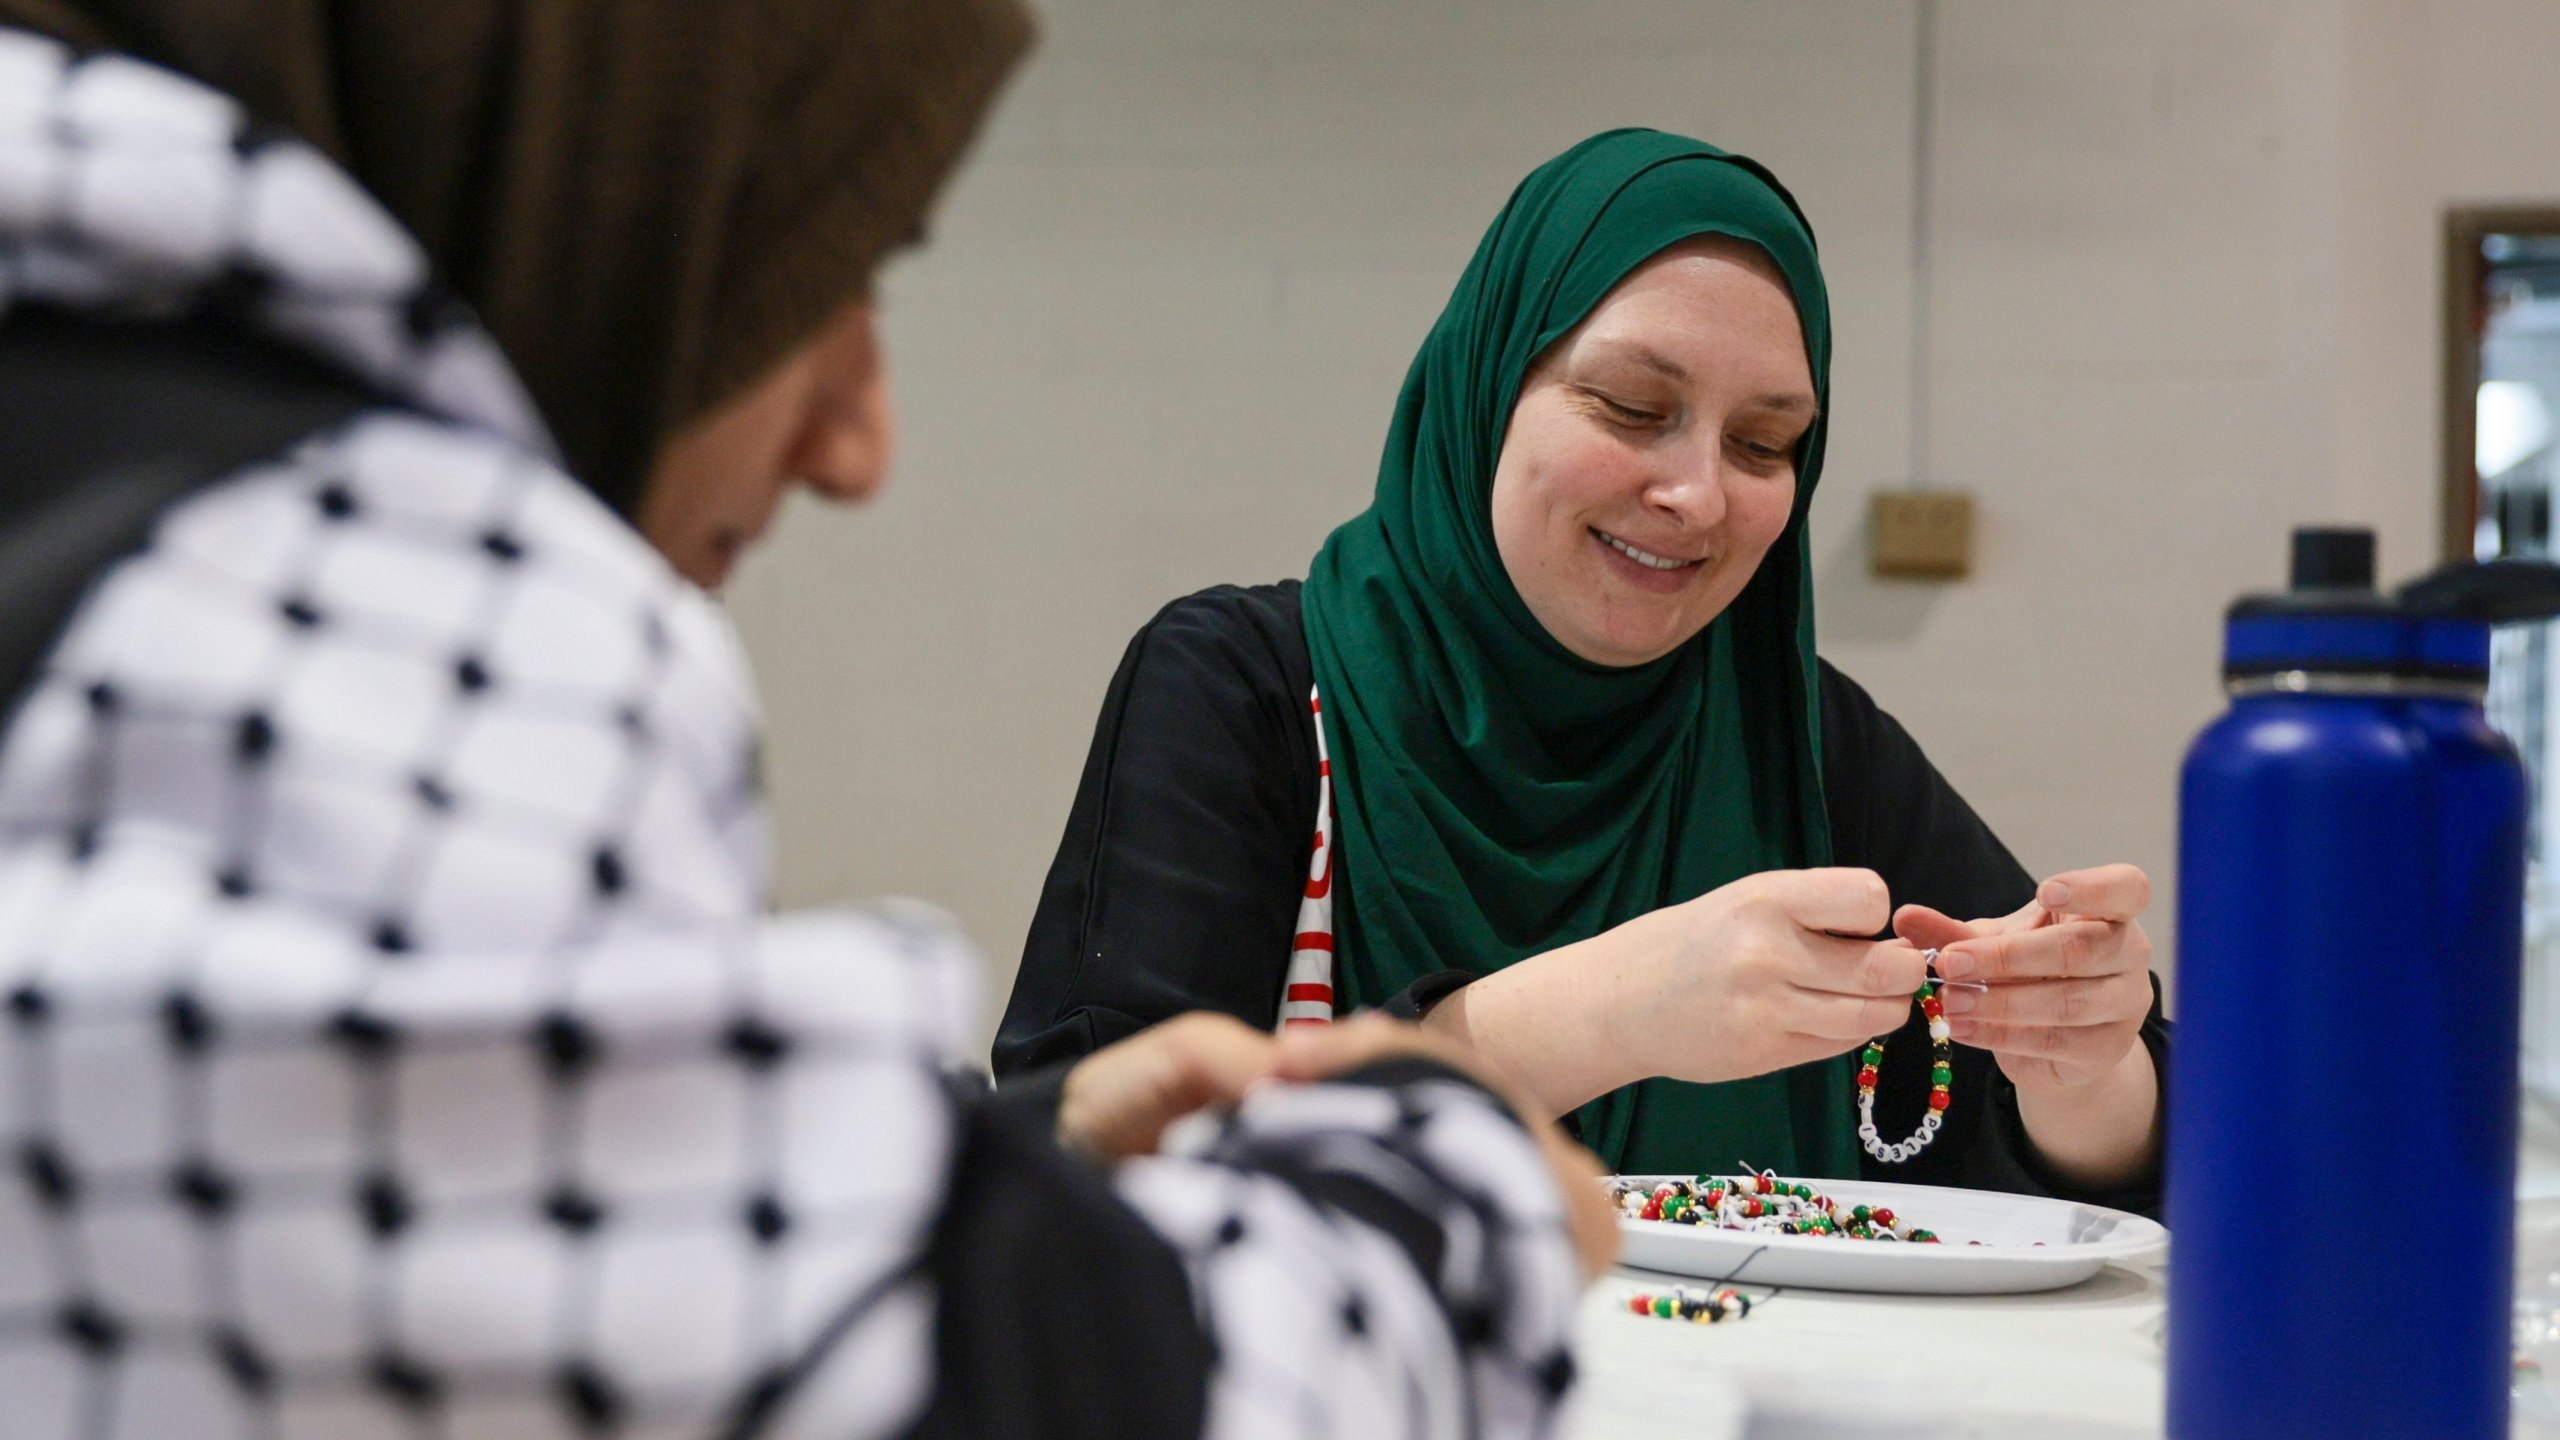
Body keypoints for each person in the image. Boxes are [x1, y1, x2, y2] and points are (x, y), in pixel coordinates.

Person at [0, 7, 1613, 1438]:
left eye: (1774, 441)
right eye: (813, 262)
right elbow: (938, 1388)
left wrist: (996, 1168)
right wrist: (1443, 1182)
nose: (859, 444)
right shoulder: (358, 598)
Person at [998, 130, 2167, 1209]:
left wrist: (2079, 1063)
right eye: (1628, 405)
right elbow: (1083, 1168)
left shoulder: (1799, 739)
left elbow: (2109, 1171)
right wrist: (1613, 1009)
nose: (1698, 495)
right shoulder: (1246, 694)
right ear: (1486, 389)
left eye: (1764, 445)